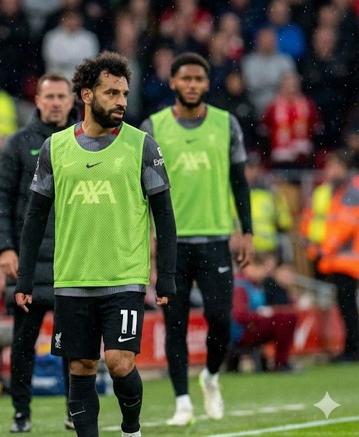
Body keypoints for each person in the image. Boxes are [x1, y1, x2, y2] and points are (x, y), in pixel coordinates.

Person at [15, 51, 177, 437]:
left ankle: (131, 428)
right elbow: (35, 218)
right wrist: (25, 278)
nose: (121, 101)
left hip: (124, 277)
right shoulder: (55, 147)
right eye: (111, 93)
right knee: (81, 367)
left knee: (120, 362)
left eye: (124, 93)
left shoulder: (143, 145)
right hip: (72, 279)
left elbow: (165, 216)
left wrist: (167, 275)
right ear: (87, 95)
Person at [140, 52, 254, 425]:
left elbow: (239, 181)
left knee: (220, 319)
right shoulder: (153, 127)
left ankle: (211, 376)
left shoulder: (226, 123)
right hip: (171, 243)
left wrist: (247, 231)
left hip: (216, 238)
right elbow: (141, 188)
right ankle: (182, 402)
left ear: (206, 83)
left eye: (198, 79)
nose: (192, 84)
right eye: (185, 78)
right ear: (172, 82)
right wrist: (146, 238)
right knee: (174, 323)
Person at [0, 71, 79, 432]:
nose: (55, 103)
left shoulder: (86, 142)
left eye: (61, 97)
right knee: (23, 343)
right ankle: (21, 413)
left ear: (72, 101)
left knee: (74, 344)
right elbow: (0, 198)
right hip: (27, 262)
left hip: (73, 260)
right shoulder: (17, 143)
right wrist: (4, 248)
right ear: (38, 101)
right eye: (49, 97)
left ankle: (75, 409)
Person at [316, 149, 359, 362]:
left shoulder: (351, 190)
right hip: (345, 260)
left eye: (331, 166)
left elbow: (345, 224)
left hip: (347, 260)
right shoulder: (344, 188)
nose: (327, 170)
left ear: (342, 167)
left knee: (348, 307)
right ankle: (351, 347)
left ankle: (353, 349)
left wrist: (325, 249)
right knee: (347, 307)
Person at [231, 253, 297, 372]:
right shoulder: (241, 286)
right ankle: (281, 362)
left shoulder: (256, 285)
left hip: (252, 327)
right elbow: (239, 316)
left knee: (287, 316)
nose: (264, 273)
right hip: (241, 332)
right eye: (262, 269)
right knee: (285, 318)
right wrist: (261, 315)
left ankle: (282, 361)